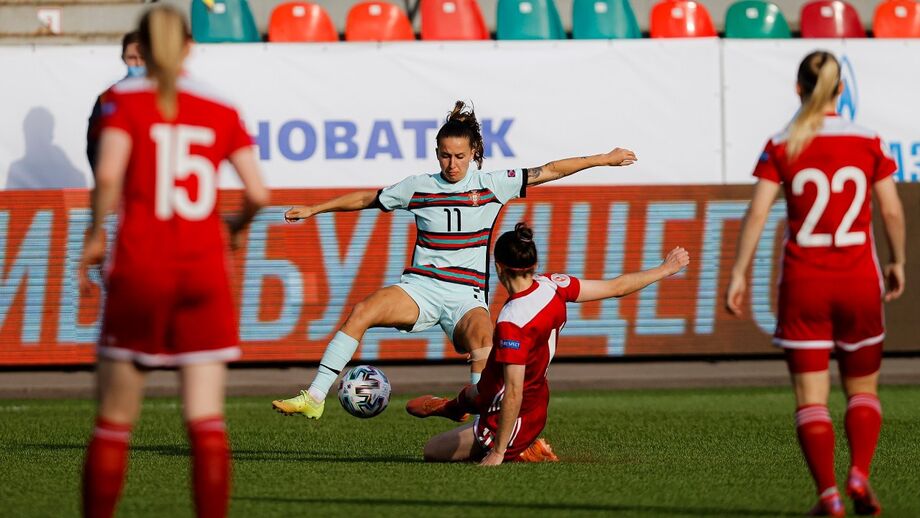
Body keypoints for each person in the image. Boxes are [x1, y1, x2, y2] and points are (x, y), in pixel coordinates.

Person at [272, 101, 638, 419]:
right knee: (362, 310)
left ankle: (485, 426)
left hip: (466, 295)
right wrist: (314, 209)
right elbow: (368, 199)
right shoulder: (419, 186)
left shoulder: (493, 184)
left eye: (460, 156)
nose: (452, 164)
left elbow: (551, 169)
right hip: (420, 288)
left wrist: (603, 159)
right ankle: (314, 397)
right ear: (437, 153)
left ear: (474, 152)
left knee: (484, 340)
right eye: (445, 155)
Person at [77, 6, 269, 518]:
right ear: (189, 46)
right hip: (203, 270)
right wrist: (234, 227)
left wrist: (94, 236)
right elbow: (258, 192)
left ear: (141, 48)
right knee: (206, 421)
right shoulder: (220, 105)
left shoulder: (122, 101)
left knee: (114, 421)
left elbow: (108, 176)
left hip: (140, 266)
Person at [726, 51, 905, 517]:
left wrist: (739, 272)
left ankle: (828, 496)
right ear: (841, 89)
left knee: (811, 398)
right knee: (862, 390)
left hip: (805, 283)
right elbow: (890, 210)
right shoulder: (868, 140)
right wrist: (898, 260)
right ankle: (859, 473)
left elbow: (758, 213)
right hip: (858, 280)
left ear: (797, 89)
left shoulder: (782, 143)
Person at [408, 222, 690, 465]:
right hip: (532, 396)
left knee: (432, 451)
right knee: (477, 391)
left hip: (515, 415)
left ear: (498, 267)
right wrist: (665, 269)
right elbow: (616, 287)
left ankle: (524, 448)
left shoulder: (512, 322)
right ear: (533, 265)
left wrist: (498, 452)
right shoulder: (553, 284)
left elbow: (514, 393)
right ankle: (453, 406)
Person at [86, 31, 146, 171]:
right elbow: (94, 143)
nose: (138, 63)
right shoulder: (107, 98)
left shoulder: (164, 97)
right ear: (123, 58)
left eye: (143, 57)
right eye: (132, 58)